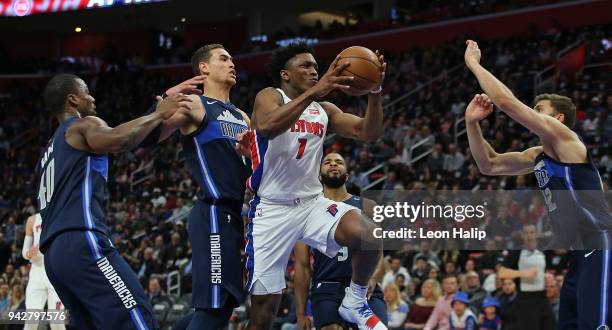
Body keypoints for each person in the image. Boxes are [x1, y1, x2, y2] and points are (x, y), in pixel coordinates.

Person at [464, 39, 612, 329]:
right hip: (578, 251)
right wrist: (472, 123)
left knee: (596, 324)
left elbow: (507, 103)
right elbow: (488, 164)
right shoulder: (538, 155)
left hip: (600, 241)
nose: (532, 113)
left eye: (539, 109)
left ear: (557, 118)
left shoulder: (566, 139)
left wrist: (474, 65)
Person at [246, 42, 387, 330]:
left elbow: (368, 132)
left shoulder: (323, 109)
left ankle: (355, 300)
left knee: (369, 235)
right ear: (286, 74)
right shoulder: (271, 95)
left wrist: (375, 92)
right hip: (272, 209)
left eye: (315, 66)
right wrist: (316, 90)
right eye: (305, 66)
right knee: (264, 312)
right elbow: (268, 126)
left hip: (311, 204)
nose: (314, 70)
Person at [36, 73, 189, 329]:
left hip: (54, 257)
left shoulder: (47, 153)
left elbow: (132, 136)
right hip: (80, 241)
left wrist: (156, 111)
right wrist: (159, 114)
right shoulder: (82, 125)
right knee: (135, 318)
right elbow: (118, 139)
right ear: (73, 99)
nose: (92, 97)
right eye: (86, 92)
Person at [159, 44, 251, 330]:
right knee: (213, 307)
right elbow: (154, 133)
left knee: (223, 306)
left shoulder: (242, 117)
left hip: (234, 215)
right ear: (204, 68)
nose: (232, 63)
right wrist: (163, 102)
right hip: (212, 211)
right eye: (224, 58)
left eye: (232, 58)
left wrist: (253, 157)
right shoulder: (196, 105)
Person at [293, 153, 387, 330]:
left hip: (362, 285)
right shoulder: (306, 210)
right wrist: (300, 313)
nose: (333, 164)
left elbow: (379, 253)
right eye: (327, 162)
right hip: (327, 286)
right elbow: (302, 266)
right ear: (319, 176)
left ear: (347, 175)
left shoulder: (368, 206)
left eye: (339, 162)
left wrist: (373, 279)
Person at [497, 225, 553, 330]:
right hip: (525, 299)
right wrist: (524, 273)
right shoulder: (517, 252)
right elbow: (501, 272)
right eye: (526, 233)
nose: (529, 235)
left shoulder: (543, 251)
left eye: (532, 232)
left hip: (542, 297)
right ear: (522, 236)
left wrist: (546, 276)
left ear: (536, 234)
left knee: (550, 324)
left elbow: (542, 271)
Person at [22, 213, 65, 330]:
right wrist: (28, 253)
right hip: (37, 272)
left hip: (56, 272)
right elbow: (24, 251)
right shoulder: (32, 219)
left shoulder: (61, 215)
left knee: (57, 322)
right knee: (31, 321)